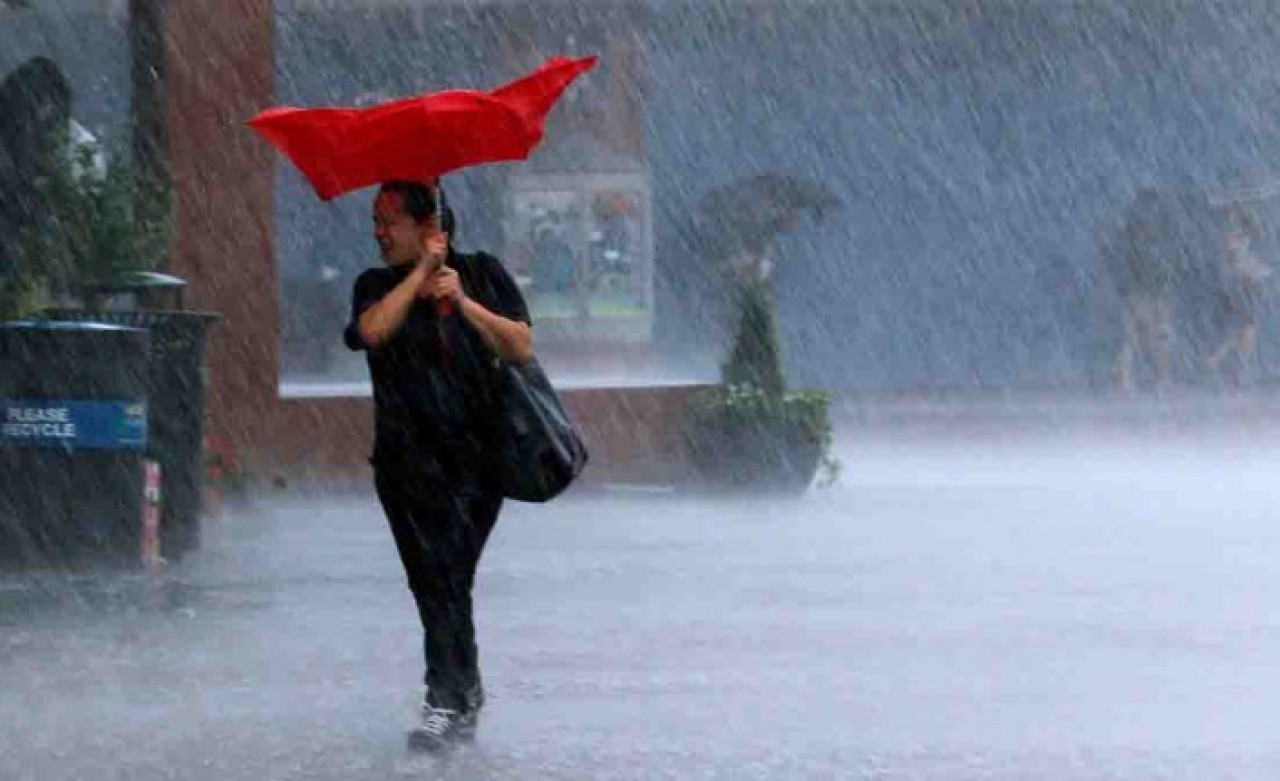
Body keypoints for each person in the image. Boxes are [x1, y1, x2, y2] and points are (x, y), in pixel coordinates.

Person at [343, 180, 532, 750]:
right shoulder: (375, 286)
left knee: (447, 575)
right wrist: (417, 279)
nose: (377, 232)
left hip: (477, 463)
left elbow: (520, 345)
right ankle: (462, 690)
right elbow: (370, 333)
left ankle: (444, 698)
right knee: (437, 581)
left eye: (388, 221)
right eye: (375, 221)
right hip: (404, 463)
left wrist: (464, 301)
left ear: (430, 227)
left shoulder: (483, 273)